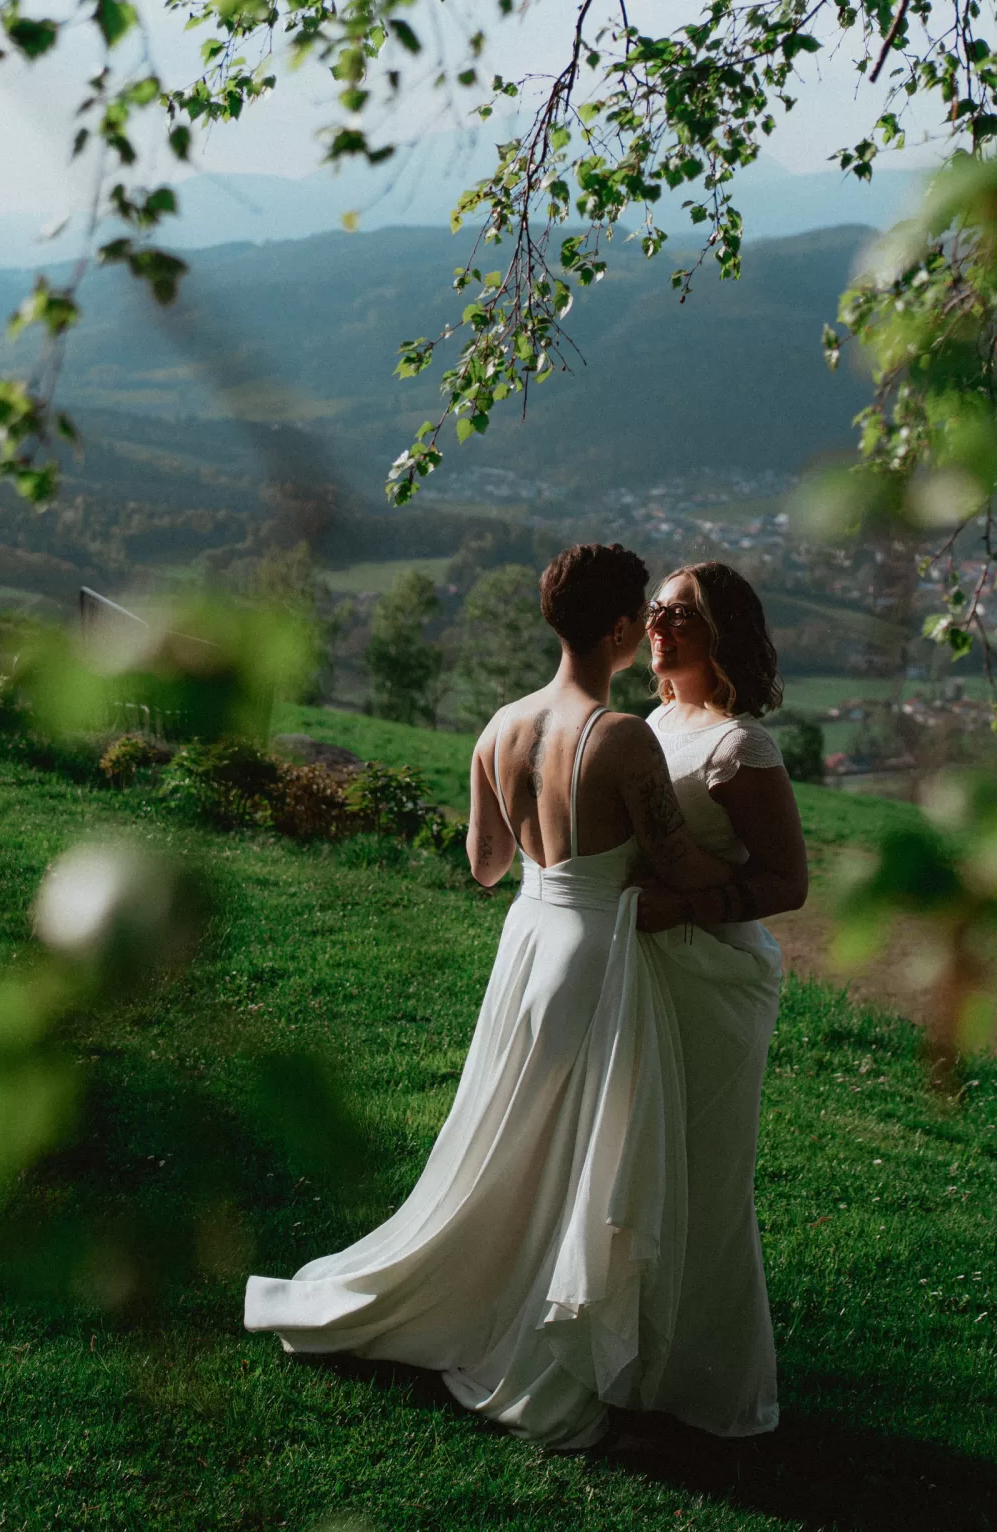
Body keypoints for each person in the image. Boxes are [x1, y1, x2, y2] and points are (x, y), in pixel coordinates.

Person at [243, 543, 733, 1449]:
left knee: (513, 1135)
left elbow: (484, 866)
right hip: (590, 950)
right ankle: (533, 1335)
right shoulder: (620, 738)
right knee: (571, 1144)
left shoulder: (500, 725)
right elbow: (683, 866)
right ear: (622, 629)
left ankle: (469, 1292)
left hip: (528, 935)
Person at [633, 560, 810, 1439]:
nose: (661, 624)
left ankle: (703, 1373)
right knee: (636, 1162)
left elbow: (788, 882)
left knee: (702, 1174)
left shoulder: (741, 747)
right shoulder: (654, 721)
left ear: (723, 633)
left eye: (684, 614)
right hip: (640, 975)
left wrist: (684, 908)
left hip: (714, 981)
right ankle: (629, 1350)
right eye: (657, 609)